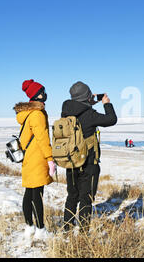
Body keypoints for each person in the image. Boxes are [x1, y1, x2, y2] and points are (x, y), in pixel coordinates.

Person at [61, 81, 117, 233]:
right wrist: (106, 103)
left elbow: (79, 109)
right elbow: (111, 119)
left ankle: (67, 228)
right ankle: (84, 232)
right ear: (86, 97)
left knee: (72, 195)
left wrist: (88, 101)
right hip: (88, 163)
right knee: (86, 198)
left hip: (71, 162)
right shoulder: (90, 114)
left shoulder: (65, 112)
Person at [14, 79, 56, 241]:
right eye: (42, 91)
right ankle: (40, 229)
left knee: (29, 193)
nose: (45, 94)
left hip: (28, 158)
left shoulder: (27, 113)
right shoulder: (37, 114)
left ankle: (29, 227)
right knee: (37, 194)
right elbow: (42, 139)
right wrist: (50, 159)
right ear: (36, 95)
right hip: (37, 158)